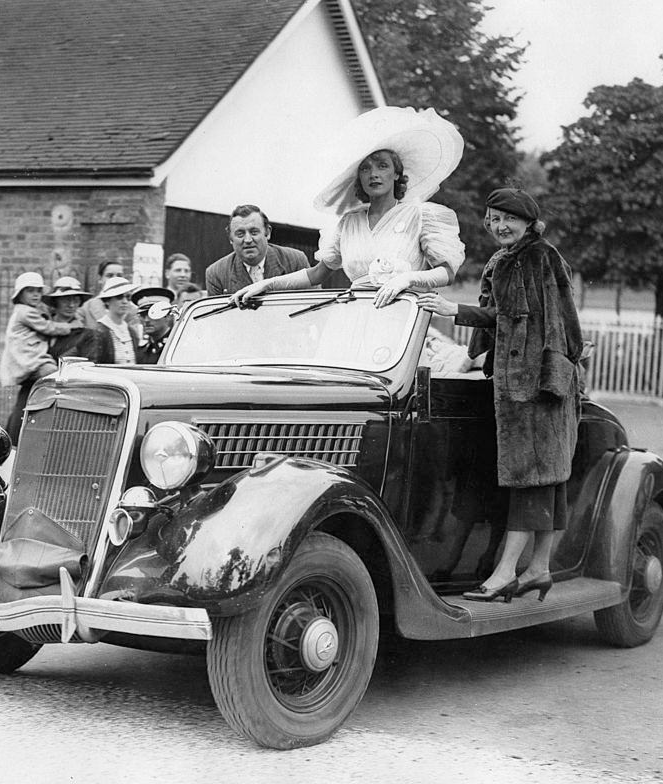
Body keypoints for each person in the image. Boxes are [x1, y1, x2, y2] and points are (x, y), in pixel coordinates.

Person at [418, 187, 583, 603]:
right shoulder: (501, 261)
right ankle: (539, 568)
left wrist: (452, 309)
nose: (499, 226)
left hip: (537, 384)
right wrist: (473, 358)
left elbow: (544, 320)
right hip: (520, 381)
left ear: (529, 223)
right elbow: (496, 325)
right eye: (493, 218)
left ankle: (507, 571)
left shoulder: (541, 256)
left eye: (508, 218)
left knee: (531, 476)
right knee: (544, 475)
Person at [232, 106, 465, 308]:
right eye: (365, 168)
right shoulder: (348, 223)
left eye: (382, 166)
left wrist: (408, 279)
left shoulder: (421, 215)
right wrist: (267, 284)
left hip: (401, 320)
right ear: (359, 177)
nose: (374, 174)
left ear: (397, 174)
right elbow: (316, 274)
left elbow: (446, 272)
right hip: (355, 315)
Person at [0, 272, 77, 444]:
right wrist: (69, 327)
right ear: (20, 294)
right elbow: (47, 327)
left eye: (38, 291)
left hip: (32, 357)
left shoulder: (29, 310)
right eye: (30, 291)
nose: (35, 295)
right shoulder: (25, 312)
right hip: (30, 358)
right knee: (56, 376)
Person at [205, 205, 309, 297]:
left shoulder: (295, 261)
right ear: (230, 238)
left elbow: (314, 308)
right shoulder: (216, 274)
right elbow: (218, 318)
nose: (248, 240)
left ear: (267, 233)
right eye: (240, 234)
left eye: (254, 232)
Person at [45, 276, 113, 364]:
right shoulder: (41, 326)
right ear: (55, 302)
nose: (71, 305)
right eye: (66, 300)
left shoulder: (85, 335)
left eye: (76, 301)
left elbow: (88, 365)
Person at [95, 276, 140, 364]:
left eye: (128, 297)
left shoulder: (131, 332)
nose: (125, 301)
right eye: (119, 297)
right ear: (107, 300)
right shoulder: (99, 331)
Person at [131, 286, 176, 364]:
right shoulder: (142, 350)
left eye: (152, 314)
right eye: (142, 315)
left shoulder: (176, 347)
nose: (146, 320)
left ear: (168, 316)